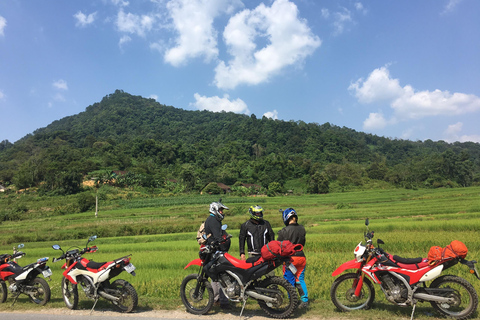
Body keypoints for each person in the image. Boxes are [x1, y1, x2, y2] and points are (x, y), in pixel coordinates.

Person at [277, 207, 308, 308]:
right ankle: (304, 301)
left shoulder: (284, 231)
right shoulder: (302, 229)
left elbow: (279, 246)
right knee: (300, 279)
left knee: (289, 281)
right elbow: (303, 243)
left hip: (290, 259)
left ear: (286, 218)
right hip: (301, 257)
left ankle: (292, 303)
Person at [204, 201, 231, 310]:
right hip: (217, 253)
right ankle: (220, 301)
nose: (222, 212)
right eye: (220, 210)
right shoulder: (213, 221)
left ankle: (220, 300)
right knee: (220, 277)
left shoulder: (214, 220)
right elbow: (217, 238)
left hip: (218, 252)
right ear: (215, 210)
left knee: (220, 277)